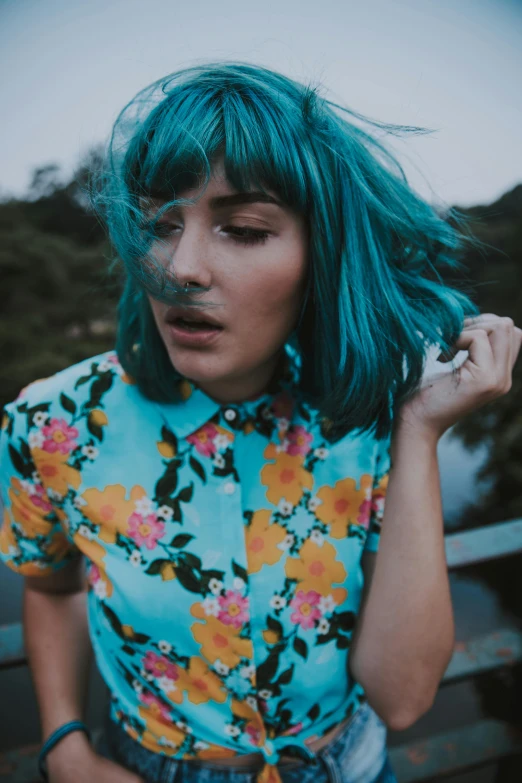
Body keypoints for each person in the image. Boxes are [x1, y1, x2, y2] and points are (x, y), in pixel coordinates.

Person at [1, 61, 520, 783]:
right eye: (157, 223)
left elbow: (401, 698)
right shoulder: (51, 424)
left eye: (242, 229)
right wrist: (63, 744)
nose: (180, 265)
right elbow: (52, 584)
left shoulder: (364, 417)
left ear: (319, 253)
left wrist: (418, 435)